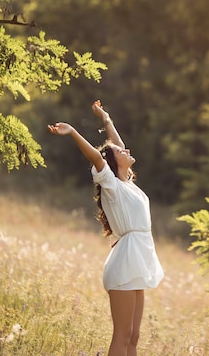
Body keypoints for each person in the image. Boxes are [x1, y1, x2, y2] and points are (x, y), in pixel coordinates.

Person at [48, 100, 164, 356]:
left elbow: (116, 147)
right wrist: (74, 133)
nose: (126, 150)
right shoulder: (111, 184)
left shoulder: (128, 183)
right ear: (112, 163)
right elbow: (99, 157)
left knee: (134, 337)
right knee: (122, 336)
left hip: (139, 260)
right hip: (124, 264)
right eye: (120, 153)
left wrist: (106, 118)